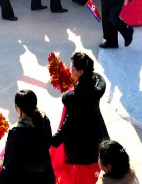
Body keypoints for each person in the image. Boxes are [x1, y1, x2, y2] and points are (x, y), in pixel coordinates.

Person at [50, 52, 109, 184]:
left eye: (73, 69)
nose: (71, 70)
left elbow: (68, 125)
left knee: (82, 176)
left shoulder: (77, 99)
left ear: (81, 71)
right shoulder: (94, 83)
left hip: (82, 142)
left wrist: (54, 141)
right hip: (96, 130)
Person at [0, 89, 54, 184]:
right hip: (46, 173)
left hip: (29, 177)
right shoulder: (44, 119)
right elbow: (48, 142)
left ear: (19, 109)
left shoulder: (19, 132)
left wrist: (0, 178)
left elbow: (13, 164)